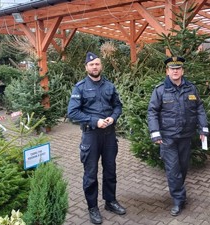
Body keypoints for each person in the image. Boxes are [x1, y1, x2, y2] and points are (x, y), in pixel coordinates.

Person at [67, 52, 126, 224]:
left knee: (110, 170)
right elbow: (72, 113)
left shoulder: (109, 86)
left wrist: (113, 118)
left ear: (101, 66)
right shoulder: (80, 88)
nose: (95, 67)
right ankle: (92, 207)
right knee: (90, 174)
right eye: (91, 65)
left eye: (97, 64)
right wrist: (95, 121)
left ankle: (110, 201)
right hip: (91, 135)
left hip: (109, 135)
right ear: (86, 67)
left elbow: (118, 106)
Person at [147, 56, 209, 216]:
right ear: (167, 71)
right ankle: (178, 200)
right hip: (168, 138)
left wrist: (203, 129)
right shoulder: (160, 90)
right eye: (172, 69)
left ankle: (179, 193)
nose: (175, 71)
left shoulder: (191, 89)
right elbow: (152, 112)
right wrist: (155, 133)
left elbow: (199, 109)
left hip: (185, 136)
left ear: (182, 70)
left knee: (182, 167)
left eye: (178, 68)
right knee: (173, 169)